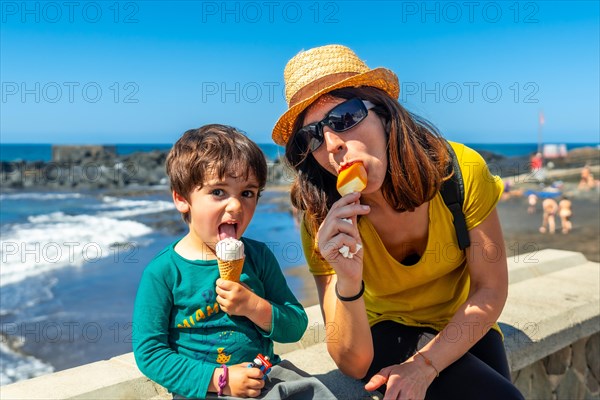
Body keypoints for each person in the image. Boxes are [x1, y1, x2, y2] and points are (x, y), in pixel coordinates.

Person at [272, 45, 524, 399]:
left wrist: (424, 365)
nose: (331, 144)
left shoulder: (461, 172)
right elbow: (353, 363)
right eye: (310, 136)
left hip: (462, 318)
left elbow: (490, 289)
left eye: (344, 118)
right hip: (382, 328)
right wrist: (346, 277)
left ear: (386, 115)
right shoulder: (321, 218)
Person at [133, 125, 335, 399]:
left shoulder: (259, 257)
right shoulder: (164, 272)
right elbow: (150, 353)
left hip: (265, 376)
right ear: (182, 199)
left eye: (247, 193)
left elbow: (296, 325)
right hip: (203, 388)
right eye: (218, 192)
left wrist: (254, 307)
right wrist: (221, 379)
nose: (236, 206)